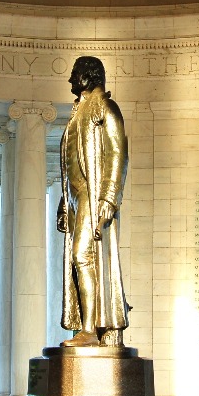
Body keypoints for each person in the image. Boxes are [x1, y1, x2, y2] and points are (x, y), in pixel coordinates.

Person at [57, 56, 130, 347]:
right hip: (75, 198)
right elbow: (68, 163)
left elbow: (117, 154)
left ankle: (89, 329)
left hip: (93, 194)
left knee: (82, 256)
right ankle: (84, 326)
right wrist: (64, 204)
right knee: (78, 260)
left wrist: (109, 199)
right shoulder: (78, 113)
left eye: (75, 74)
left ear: (88, 76)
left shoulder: (105, 107)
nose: (71, 80)